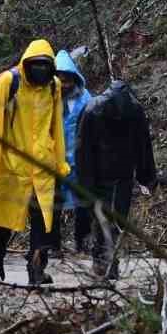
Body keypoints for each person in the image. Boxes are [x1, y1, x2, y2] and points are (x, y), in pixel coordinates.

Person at [0, 39, 70, 287]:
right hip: (10, 167)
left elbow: (57, 127)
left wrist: (60, 163)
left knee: (42, 222)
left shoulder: (53, 86)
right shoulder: (9, 82)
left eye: (46, 66)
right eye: (36, 66)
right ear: (27, 64)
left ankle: (37, 269)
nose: (41, 71)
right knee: (3, 222)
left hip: (42, 168)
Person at [76, 75, 157, 278]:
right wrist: (147, 175)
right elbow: (143, 146)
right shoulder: (135, 110)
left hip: (99, 173)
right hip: (121, 174)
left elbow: (82, 147)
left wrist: (84, 180)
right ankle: (108, 261)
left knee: (102, 217)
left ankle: (104, 261)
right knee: (115, 218)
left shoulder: (92, 108)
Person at [55, 50, 93, 253]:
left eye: (67, 79)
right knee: (53, 206)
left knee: (83, 205)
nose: (64, 84)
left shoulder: (85, 98)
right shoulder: (47, 99)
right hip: (54, 160)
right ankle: (52, 244)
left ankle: (82, 242)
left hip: (80, 160)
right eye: (59, 79)